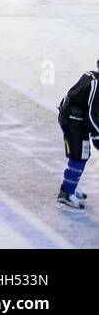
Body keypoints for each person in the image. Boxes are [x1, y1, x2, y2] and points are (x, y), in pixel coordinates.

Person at [57, 60, 99, 210]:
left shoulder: (93, 77)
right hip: (73, 120)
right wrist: (97, 135)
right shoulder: (96, 84)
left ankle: (70, 186)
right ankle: (66, 194)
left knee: (81, 155)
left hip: (75, 119)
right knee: (79, 155)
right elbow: (91, 113)